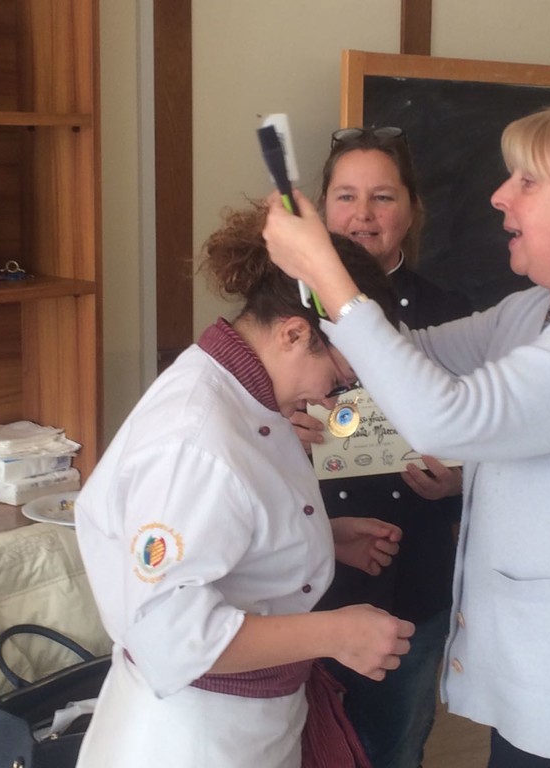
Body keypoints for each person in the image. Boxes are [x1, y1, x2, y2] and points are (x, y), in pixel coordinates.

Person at [264, 102, 550, 768]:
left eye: (527, 181)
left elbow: (446, 417)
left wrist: (327, 274)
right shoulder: (535, 311)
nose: (500, 196)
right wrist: (315, 279)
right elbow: (407, 352)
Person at [74, 202, 416, 768]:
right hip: (191, 736)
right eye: (338, 379)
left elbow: (226, 524)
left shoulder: (245, 392)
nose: (331, 398)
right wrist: (334, 634)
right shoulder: (193, 441)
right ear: (294, 333)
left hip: (250, 724)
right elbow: (169, 636)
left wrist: (319, 537)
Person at [291, 125, 472, 768]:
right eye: (346, 196)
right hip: (304, 578)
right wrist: (277, 430)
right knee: (299, 747)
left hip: (413, 575)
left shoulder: (452, 315)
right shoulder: (282, 310)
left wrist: (461, 480)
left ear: (411, 210)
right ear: (322, 208)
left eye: (382, 197)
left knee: (395, 747)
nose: (362, 215)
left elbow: (485, 434)